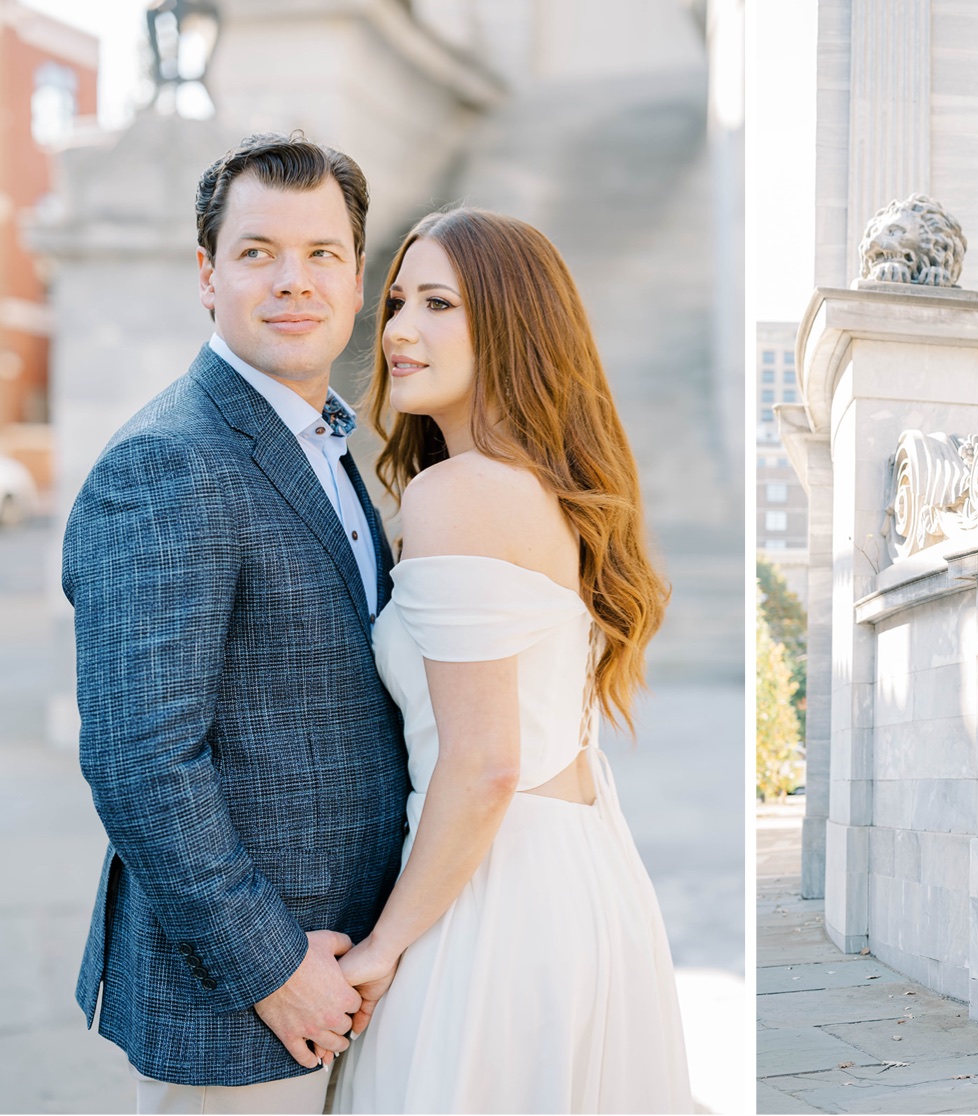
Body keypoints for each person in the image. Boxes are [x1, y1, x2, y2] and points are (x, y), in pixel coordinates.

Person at [62, 133, 409, 1113]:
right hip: (241, 1004)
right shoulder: (169, 464)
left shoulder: (329, 442)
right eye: (259, 252)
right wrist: (269, 967)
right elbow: (141, 759)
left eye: (321, 254)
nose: (292, 281)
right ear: (209, 276)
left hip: (345, 975)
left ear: (355, 279)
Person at [329, 208, 693, 1113]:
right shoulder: (543, 488)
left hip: (489, 899)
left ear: (511, 325)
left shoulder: (459, 495)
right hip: (579, 877)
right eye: (399, 301)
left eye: (441, 304)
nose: (401, 330)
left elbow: (486, 763)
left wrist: (381, 949)